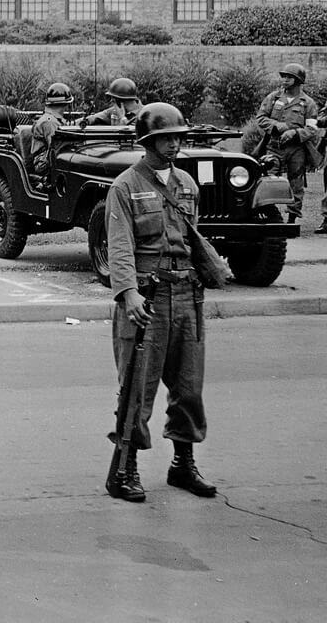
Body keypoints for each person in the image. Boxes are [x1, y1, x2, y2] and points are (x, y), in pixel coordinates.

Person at [102, 102, 232, 503]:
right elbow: (120, 246)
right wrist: (128, 294)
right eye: (165, 138)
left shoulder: (188, 185)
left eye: (178, 137)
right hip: (147, 296)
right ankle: (126, 470)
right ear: (148, 141)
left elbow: (191, 236)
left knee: (189, 386)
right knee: (137, 388)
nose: (174, 144)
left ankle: (183, 464)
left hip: (186, 294)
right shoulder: (124, 186)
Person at [253, 62, 321, 225]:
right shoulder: (273, 97)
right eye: (283, 76)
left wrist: (295, 133)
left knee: (296, 183)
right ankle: (268, 215)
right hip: (274, 147)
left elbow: (312, 128)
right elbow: (261, 118)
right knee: (266, 179)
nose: (285, 80)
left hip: (297, 149)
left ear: (298, 80)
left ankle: (292, 218)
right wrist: (276, 126)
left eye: (289, 77)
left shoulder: (308, 103)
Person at [31, 82, 79, 179]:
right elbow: (57, 149)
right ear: (65, 104)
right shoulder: (49, 122)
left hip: (49, 159)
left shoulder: (54, 119)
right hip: (45, 164)